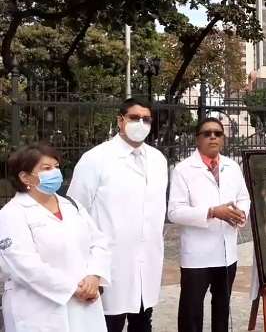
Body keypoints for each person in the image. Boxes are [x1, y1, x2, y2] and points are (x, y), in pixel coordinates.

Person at [67, 98, 169, 332]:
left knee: (143, 322)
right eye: (134, 118)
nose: (140, 123)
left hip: (147, 261)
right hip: (108, 264)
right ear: (120, 121)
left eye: (146, 119)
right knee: (108, 323)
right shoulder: (96, 159)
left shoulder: (158, 160)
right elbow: (76, 212)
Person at [0, 143, 111, 332]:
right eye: (46, 168)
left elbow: (98, 242)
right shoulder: (12, 214)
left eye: (56, 167)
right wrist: (73, 289)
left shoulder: (72, 205)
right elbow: (24, 266)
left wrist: (94, 276)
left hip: (84, 304)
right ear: (25, 177)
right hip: (39, 310)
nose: (55, 172)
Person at [168, 117, 250, 332]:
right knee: (191, 311)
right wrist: (212, 212)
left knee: (222, 307)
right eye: (207, 133)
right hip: (197, 255)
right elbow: (174, 212)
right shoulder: (183, 170)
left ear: (223, 139)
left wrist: (241, 213)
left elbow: (244, 197)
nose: (213, 136)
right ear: (197, 139)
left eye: (218, 133)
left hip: (226, 253)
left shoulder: (232, 167)